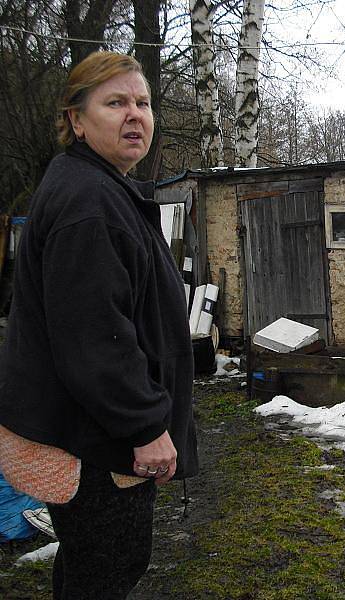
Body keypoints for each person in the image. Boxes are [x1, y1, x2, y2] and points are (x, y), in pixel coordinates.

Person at [0, 51, 198, 598]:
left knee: (89, 565)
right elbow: (94, 338)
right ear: (76, 120)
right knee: (108, 570)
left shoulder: (98, 187)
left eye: (143, 102)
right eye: (115, 103)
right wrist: (145, 427)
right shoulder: (88, 200)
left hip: (90, 434)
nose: (135, 115)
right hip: (96, 444)